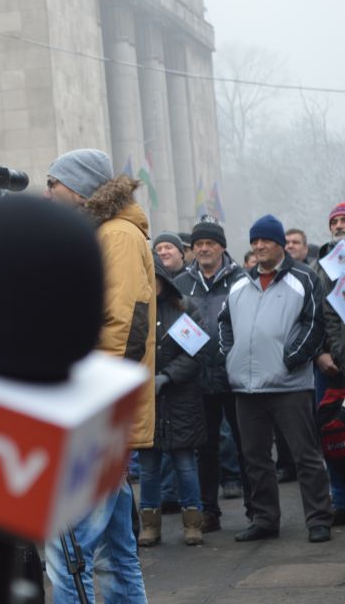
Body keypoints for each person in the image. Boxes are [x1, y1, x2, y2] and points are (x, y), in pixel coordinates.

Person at [44, 148, 154, 604]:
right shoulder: (105, 233)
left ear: (79, 189)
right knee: (114, 552)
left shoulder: (117, 236)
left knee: (66, 549)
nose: (47, 193)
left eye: (53, 183)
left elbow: (125, 328)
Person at [219, 214, 332, 543]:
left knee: (305, 455)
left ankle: (318, 519)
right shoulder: (240, 283)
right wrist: (231, 354)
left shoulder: (303, 278)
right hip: (246, 387)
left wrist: (293, 358)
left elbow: (316, 323)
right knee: (255, 458)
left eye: (265, 240)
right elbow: (225, 322)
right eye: (254, 241)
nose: (259, 246)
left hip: (289, 385)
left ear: (280, 243)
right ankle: (265, 519)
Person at [173, 218, 249, 532]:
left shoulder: (241, 279)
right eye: (199, 244)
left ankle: (257, 510)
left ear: (222, 247)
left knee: (247, 446)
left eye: (210, 243)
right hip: (199, 378)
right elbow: (175, 326)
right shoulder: (181, 283)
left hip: (236, 376)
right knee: (205, 449)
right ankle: (208, 512)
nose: (204, 249)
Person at [137, 255, 205, 547]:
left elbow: (196, 354)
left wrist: (167, 376)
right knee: (148, 469)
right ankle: (150, 526)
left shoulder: (184, 308)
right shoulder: (133, 312)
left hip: (181, 400)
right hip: (146, 401)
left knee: (185, 465)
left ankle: (193, 523)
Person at [313, 202, 345, 523]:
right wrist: (319, 353)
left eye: (344, 220)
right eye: (334, 221)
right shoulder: (319, 267)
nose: (339, 226)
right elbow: (311, 316)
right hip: (329, 365)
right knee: (332, 432)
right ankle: (340, 499)